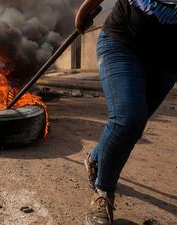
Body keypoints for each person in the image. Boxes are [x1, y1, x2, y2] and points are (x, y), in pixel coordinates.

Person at [75, 0, 177, 224]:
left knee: (130, 125)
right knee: (128, 119)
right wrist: (86, 8)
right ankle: (103, 194)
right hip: (122, 42)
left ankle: (94, 158)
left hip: (167, 63)